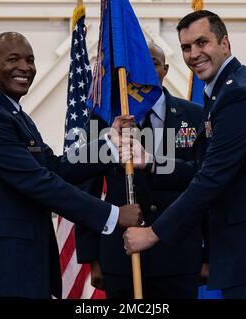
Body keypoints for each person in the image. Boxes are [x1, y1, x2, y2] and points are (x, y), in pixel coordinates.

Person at [123, 10, 246, 299]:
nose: (194, 53)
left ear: (225, 44)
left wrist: (152, 234)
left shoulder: (239, 95)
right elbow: (202, 168)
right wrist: (149, 162)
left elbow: (211, 180)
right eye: (186, 47)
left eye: (202, 42)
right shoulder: (222, 92)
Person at [0, 32, 142, 299]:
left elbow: (55, 166)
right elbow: (39, 182)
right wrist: (112, 215)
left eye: (30, 60)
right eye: (13, 59)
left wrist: (110, 144)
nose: (25, 67)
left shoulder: (13, 114)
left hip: (18, 264)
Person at [75, 43, 206, 299]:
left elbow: (205, 183)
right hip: (120, 258)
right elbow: (86, 190)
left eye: (153, 64)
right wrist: (92, 258)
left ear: (165, 69)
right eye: (138, 67)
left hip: (178, 257)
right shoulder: (103, 120)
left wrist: (208, 254)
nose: (145, 72)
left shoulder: (194, 115)